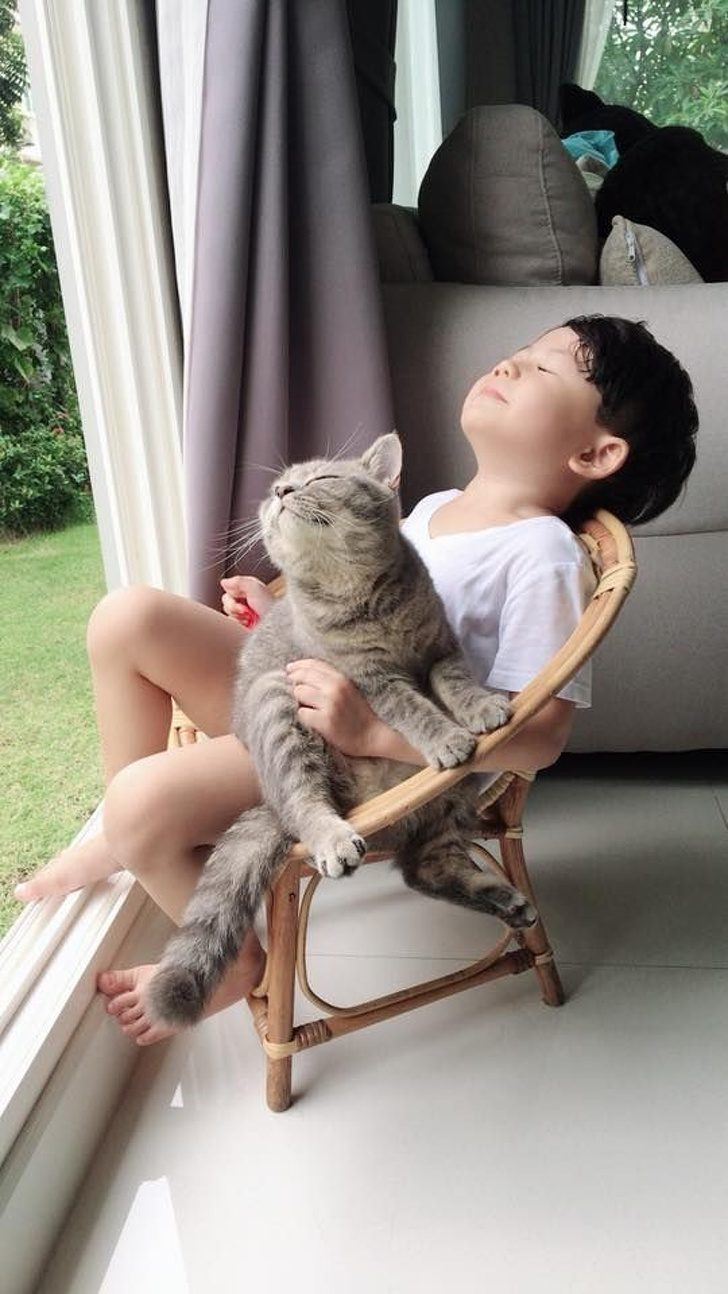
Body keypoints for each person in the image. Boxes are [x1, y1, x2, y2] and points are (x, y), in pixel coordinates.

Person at [14, 315, 698, 1046]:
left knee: (139, 801)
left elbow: (540, 740)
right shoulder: (435, 509)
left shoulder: (542, 555)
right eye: (517, 353)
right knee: (129, 618)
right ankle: (125, 840)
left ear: (595, 452)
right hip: (308, 696)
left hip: (365, 763)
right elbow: (368, 618)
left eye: (542, 369)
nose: (508, 364)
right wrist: (279, 614)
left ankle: (234, 957)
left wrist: (371, 732)